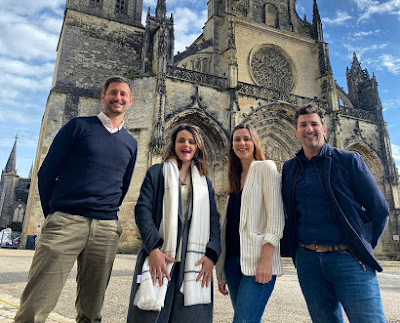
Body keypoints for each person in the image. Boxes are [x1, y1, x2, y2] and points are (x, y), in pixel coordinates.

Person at [15, 76, 137, 323]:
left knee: (92, 309)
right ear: (102, 96)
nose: (118, 98)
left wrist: (107, 213)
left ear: (131, 101)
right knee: (37, 303)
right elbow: (47, 172)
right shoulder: (78, 127)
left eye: (123, 94)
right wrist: (56, 212)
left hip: (105, 227)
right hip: (66, 220)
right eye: (113, 93)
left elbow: (123, 185)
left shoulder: (130, 142)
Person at [282, 103, 390, 323]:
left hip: (348, 258)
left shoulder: (349, 160)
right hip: (308, 260)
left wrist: (361, 244)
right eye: (303, 125)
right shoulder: (290, 168)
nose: (309, 129)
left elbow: (379, 210)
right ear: (295, 131)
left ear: (325, 129)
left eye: (314, 124)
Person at [127, 124, 221, 323]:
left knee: (189, 317)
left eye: (191, 141)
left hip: (192, 260)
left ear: (198, 147)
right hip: (161, 255)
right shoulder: (157, 173)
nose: (186, 145)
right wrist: (153, 248)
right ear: (174, 144)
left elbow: (214, 220)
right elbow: (142, 210)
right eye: (181, 140)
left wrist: (211, 255)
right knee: (151, 315)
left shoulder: (205, 183)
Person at [216, 123, 285, 323]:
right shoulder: (235, 177)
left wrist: (266, 260)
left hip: (258, 262)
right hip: (232, 264)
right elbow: (228, 229)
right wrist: (222, 273)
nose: (242, 143)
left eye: (246, 139)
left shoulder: (266, 168)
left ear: (255, 143)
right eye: (237, 139)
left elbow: (276, 218)